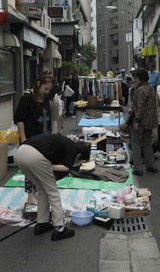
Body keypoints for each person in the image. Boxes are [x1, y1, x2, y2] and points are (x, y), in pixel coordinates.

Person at [15, 133, 90, 241]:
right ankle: (59, 228)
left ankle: (42, 224)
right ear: (79, 156)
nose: (77, 163)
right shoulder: (72, 148)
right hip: (35, 157)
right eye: (80, 161)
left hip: (20, 153)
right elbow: (66, 168)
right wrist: (45, 166)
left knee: (42, 189)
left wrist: (45, 166)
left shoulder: (64, 143)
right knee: (53, 193)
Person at [14, 69, 54, 204]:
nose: (47, 91)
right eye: (45, 88)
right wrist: (23, 139)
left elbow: (48, 118)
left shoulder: (46, 99)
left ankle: (38, 191)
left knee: (41, 166)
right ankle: (31, 195)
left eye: (49, 89)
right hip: (30, 138)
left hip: (44, 138)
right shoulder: (27, 98)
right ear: (38, 84)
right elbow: (19, 119)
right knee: (30, 166)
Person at [129, 68, 158, 176]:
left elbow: (140, 107)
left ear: (140, 79)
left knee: (136, 144)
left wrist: (136, 120)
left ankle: (138, 168)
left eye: (135, 78)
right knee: (147, 143)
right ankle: (151, 166)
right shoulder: (150, 88)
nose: (134, 80)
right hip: (149, 121)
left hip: (140, 121)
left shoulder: (140, 90)